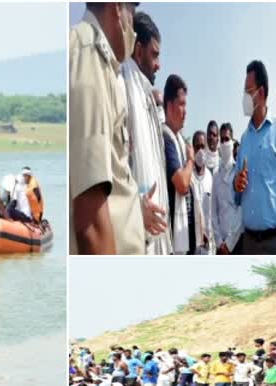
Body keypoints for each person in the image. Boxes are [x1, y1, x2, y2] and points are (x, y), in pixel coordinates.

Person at [69, 2, 166, 255]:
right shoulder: (90, 58)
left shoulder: (103, 67)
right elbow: (91, 224)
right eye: (132, 13)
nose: (131, 27)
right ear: (117, 7)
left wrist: (135, 211)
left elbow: (112, 192)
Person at [121, 10, 172, 255]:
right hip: (134, 233)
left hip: (155, 231)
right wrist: (135, 207)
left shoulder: (147, 98)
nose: (158, 64)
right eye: (154, 54)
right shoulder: (122, 88)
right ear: (138, 49)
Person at [233, 60, 276, 254]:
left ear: (260, 93)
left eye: (248, 90)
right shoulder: (244, 139)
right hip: (249, 243)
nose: (244, 97)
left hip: (274, 242)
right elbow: (237, 196)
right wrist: (236, 186)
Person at [162, 74, 204, 255]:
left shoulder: (179, 140)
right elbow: (182, 183)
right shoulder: (166, 138)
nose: (185, 111)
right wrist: (189, 160)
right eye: (181, 104)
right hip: (175, 242)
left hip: (188, 239)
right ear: (169, 106)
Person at [212, 122, 244, 254]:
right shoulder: (215, 175)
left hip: (238, 243)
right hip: (220, 245)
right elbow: (213, 212)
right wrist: (219, 242)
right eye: (222, 139)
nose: (224, 143)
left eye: (227, 139)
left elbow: (242, 212)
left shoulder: (239, 172)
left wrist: (229, 244)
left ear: (232, 142)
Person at [191, 130, 214, 254]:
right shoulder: (188, 176)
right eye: (197, 147)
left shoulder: (210, 177)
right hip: (191, 245)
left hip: (208, 246)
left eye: (202, 147)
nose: (200, 151)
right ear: (193, 149)